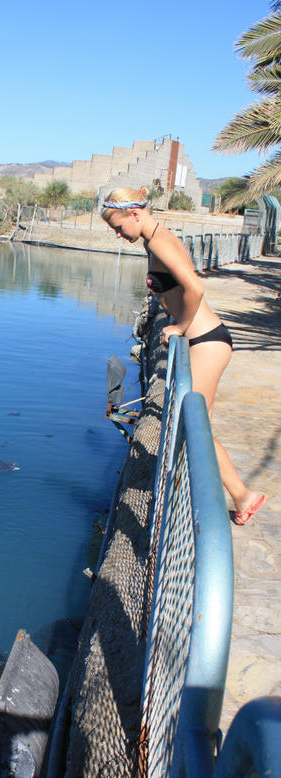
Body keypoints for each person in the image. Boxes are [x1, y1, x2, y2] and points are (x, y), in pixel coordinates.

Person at [101, 186, 265, 525]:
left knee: (192, 429)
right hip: (203, 341)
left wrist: (181, 325)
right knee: (194, 428)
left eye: (118, 227)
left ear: (134, 214)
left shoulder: (159, 241)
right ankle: (236, 495)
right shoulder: (155, 238)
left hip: (205, 340)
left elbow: (195, 287)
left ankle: (234, 496)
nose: (118, 235)